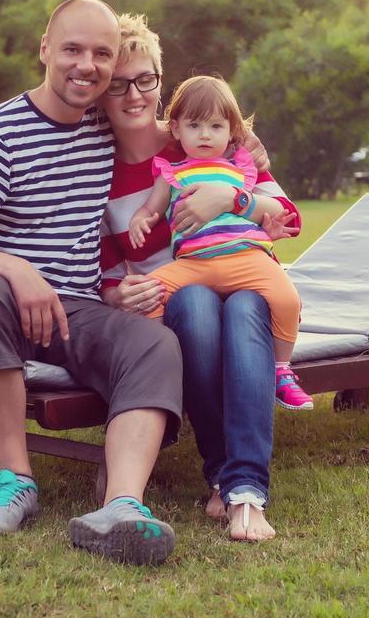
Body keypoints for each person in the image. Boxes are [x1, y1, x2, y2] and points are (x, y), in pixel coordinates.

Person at [0, 0, 182, 566]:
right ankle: (15, 479)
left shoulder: (104, 123)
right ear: (45, 49)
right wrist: (21, 270)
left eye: (101, 55)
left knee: (154, 342)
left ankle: (120, 505)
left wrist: (247, 151)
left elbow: (184, 132)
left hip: (75, 310)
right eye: (72, 49)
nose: (85, 65)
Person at [98, 14, 301, 542]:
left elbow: (287, 218)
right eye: (117, 84)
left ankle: (245, 491)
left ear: (161, 85)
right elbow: (100, 270)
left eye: (145, 80)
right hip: (170, 303)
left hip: (245, 280)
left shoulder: (212, 135)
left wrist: (231, 198)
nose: (134, 94)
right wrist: (119, 293)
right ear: (100, 90)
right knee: (196, 305)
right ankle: (223, 475)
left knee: (242, 308)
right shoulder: (95, 170)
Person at [126, 75, 310, 411]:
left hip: (245, 258)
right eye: (195, 125)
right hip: (193, 264)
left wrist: (270, 225)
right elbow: (150, 208)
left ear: (231, 132)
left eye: (215, 125)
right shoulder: (171, 173)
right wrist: (140, 219)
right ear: (177, 129)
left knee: (287, 298)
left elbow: (272, 212)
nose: (205, 135)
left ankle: (282, 370)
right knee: (148, 293)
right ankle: (162, 367)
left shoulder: (241, 168)